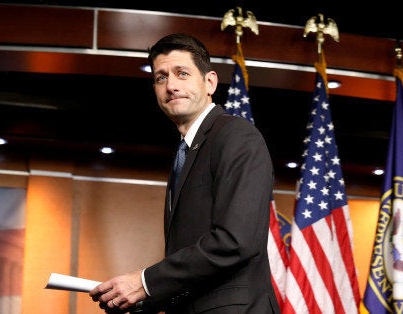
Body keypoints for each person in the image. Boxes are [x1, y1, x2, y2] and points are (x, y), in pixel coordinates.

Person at [89, 33, 280, 314]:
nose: (171, 86)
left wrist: (145, 282)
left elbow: (235, 241)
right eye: (161, 77)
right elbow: (193, 260)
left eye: (182, 73)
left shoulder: (236, 136)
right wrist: (141, 299)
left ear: (210, 82)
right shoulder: (186, 152)